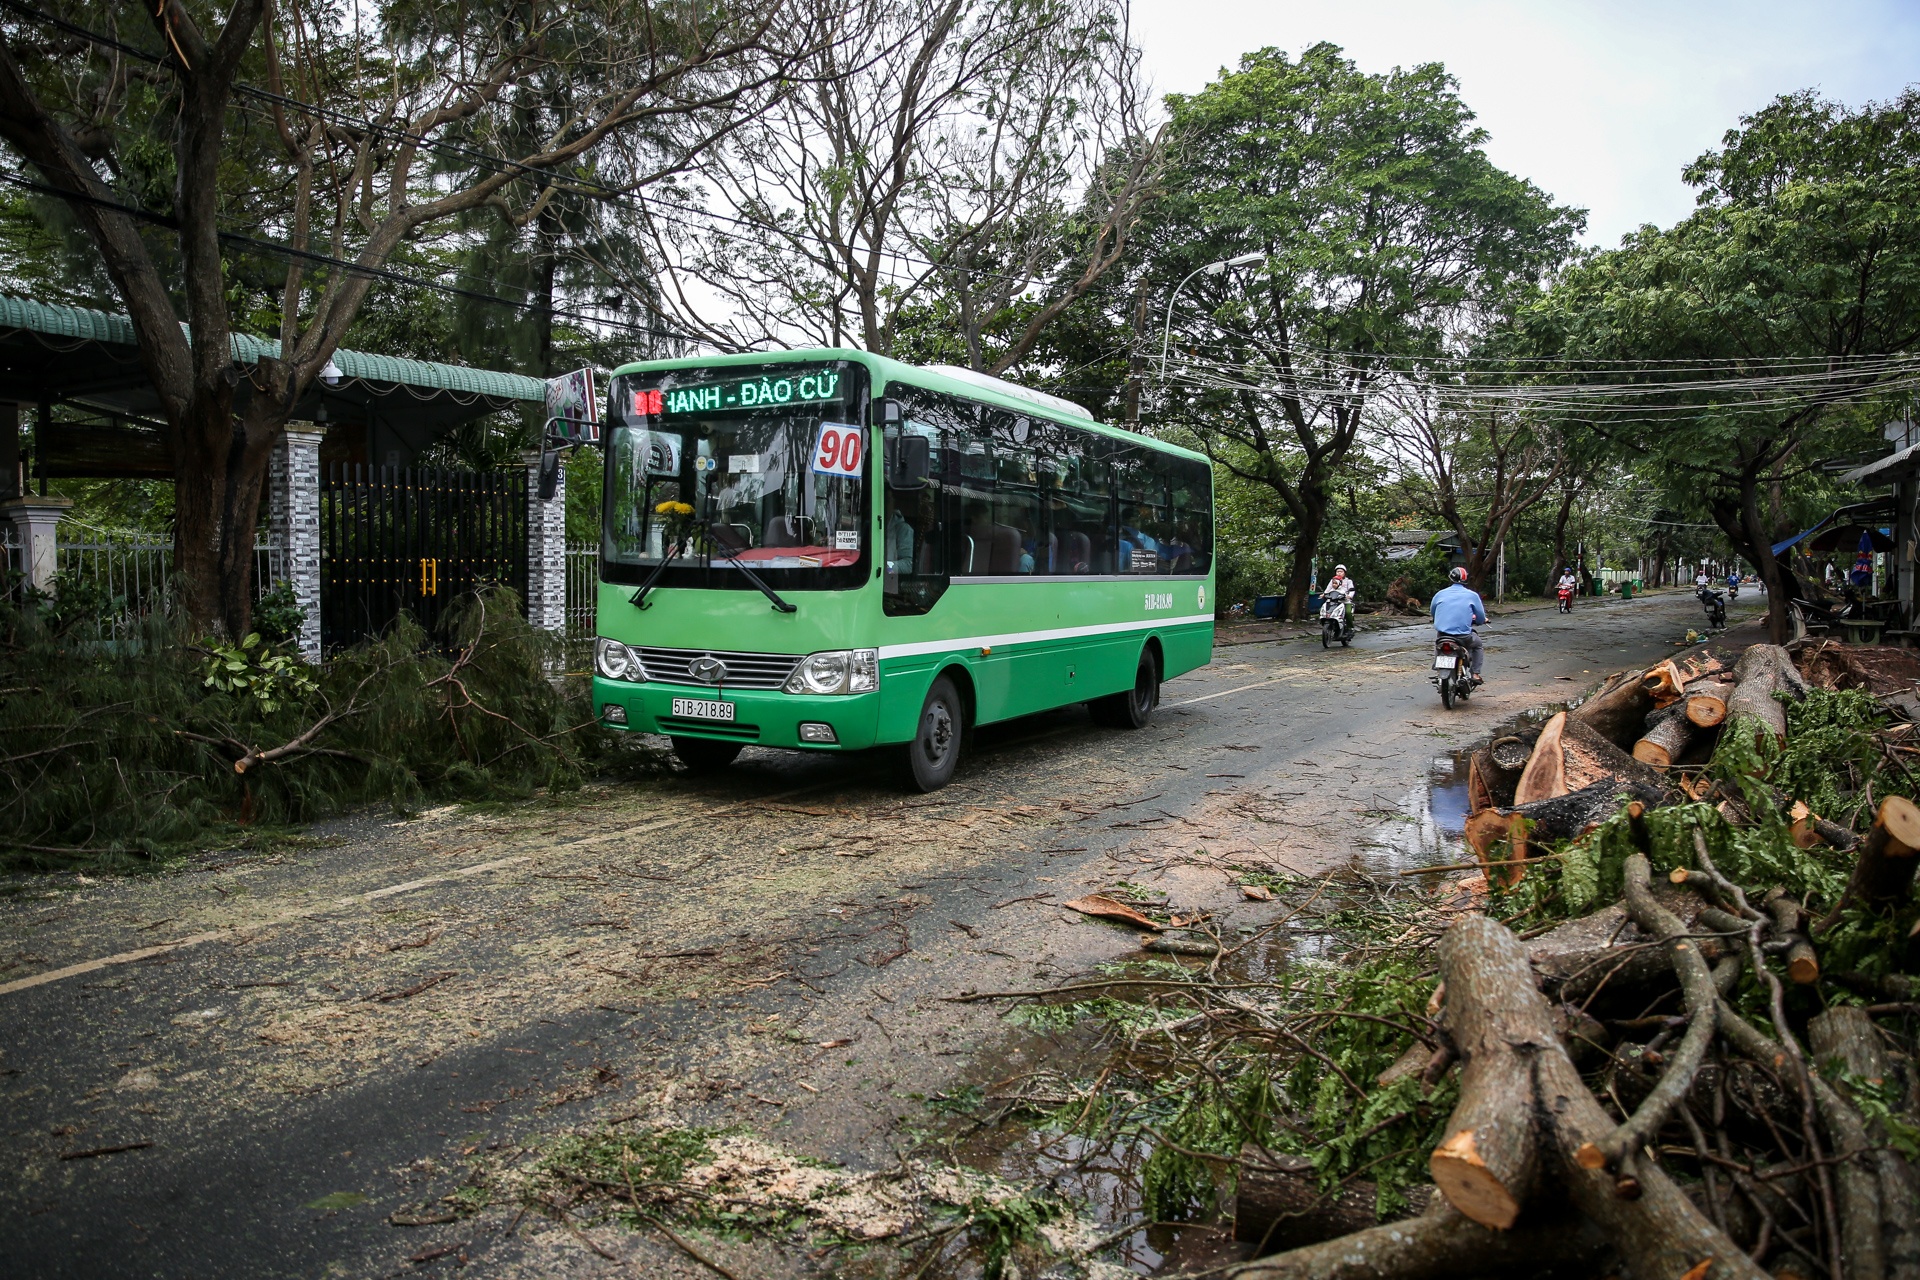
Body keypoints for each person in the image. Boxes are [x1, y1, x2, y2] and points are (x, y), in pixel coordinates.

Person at [1430, 566, 1488, 684]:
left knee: (1438, 643)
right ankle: (1475, 674)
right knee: (1477, 645)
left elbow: (1433, 611)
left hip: (1443, 635)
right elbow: (1480, 617)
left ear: (1450, 578)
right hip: (1463, 637)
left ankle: (1438, 668)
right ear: (1466, 580)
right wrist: (1480, 621)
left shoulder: (1440, 594)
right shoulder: (1472, 595)